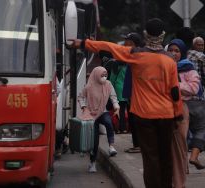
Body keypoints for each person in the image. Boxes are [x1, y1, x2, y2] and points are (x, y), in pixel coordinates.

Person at [70, 18, 183, 187]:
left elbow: (109, 47)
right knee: (165, 156)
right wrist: (178, 114)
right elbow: (175, 91)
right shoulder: (170, 61)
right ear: (162, 36)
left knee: (150, 157)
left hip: (143, 115)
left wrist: (83, 43)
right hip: (166, 115)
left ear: (145, 34)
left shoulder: (135, 55)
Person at [167, 38, 200, 188]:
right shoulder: (164, 66)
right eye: (171, 50)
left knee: (180, 144)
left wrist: (175, 85)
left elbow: (194, 88)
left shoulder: (188, 68)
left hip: (182, 109)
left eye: (177, 51)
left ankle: (179, 182)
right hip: (163, 109)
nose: (173, 53)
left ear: (182, 53)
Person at [78, 66, 120, 173]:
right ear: (96, 75)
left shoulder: (108, 84)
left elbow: (113, 97)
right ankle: (92, 163)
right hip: (91, 114)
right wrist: (83, 106)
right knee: (94, 141)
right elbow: (81, 97)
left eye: (105, 75)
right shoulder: (89, 86)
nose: (104, 77)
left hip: (103, 111)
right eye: (102, 75)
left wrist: (116, 106)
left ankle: (111, 146)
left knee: (108, 123)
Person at [122, 32, 145, 153]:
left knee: (136, 119)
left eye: (126, 41)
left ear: (132, 42)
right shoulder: (131, 53)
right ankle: (137, 144)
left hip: (136, 92)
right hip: (131, 92)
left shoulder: (138, 54)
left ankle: (139, 145)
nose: (124, 43)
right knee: (132, 119)